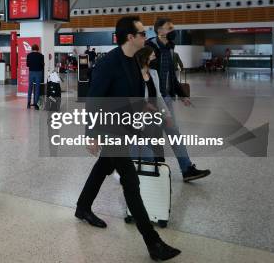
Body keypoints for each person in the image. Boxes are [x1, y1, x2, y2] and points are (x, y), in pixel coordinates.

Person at [76, 16, 181, 261]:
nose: (146, 36)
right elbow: (94, 100)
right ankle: (153, 243)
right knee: (131, 182)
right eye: (142, 33)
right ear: (130, 37)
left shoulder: (133, 61)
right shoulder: (108, 63)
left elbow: (132, 95)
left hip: (126, 128)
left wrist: (145, 106)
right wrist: (90, 135)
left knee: (103, 166)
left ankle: (83, 207)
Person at [147, 18, 210, 182]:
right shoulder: (150, 47)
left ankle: (187, 169)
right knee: (153, 136)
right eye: (170, 28)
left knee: (173, 133)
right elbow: (148, 76)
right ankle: (152, 170)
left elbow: (171, 75)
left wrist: (182, 95)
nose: (173, 30)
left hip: (166, 98)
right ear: (160, 30)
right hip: (154, 101)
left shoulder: (169, 47)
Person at [26, 44, 44, 110]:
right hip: (38, 72)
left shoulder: (29, 55)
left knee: (30, 88)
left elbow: (27, 65)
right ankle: (36, 104)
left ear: (32, 49)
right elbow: (42, 65)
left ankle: (28, 103)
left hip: (31, 72)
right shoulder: (41, 55)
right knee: (37, 89)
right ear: (37, 48)